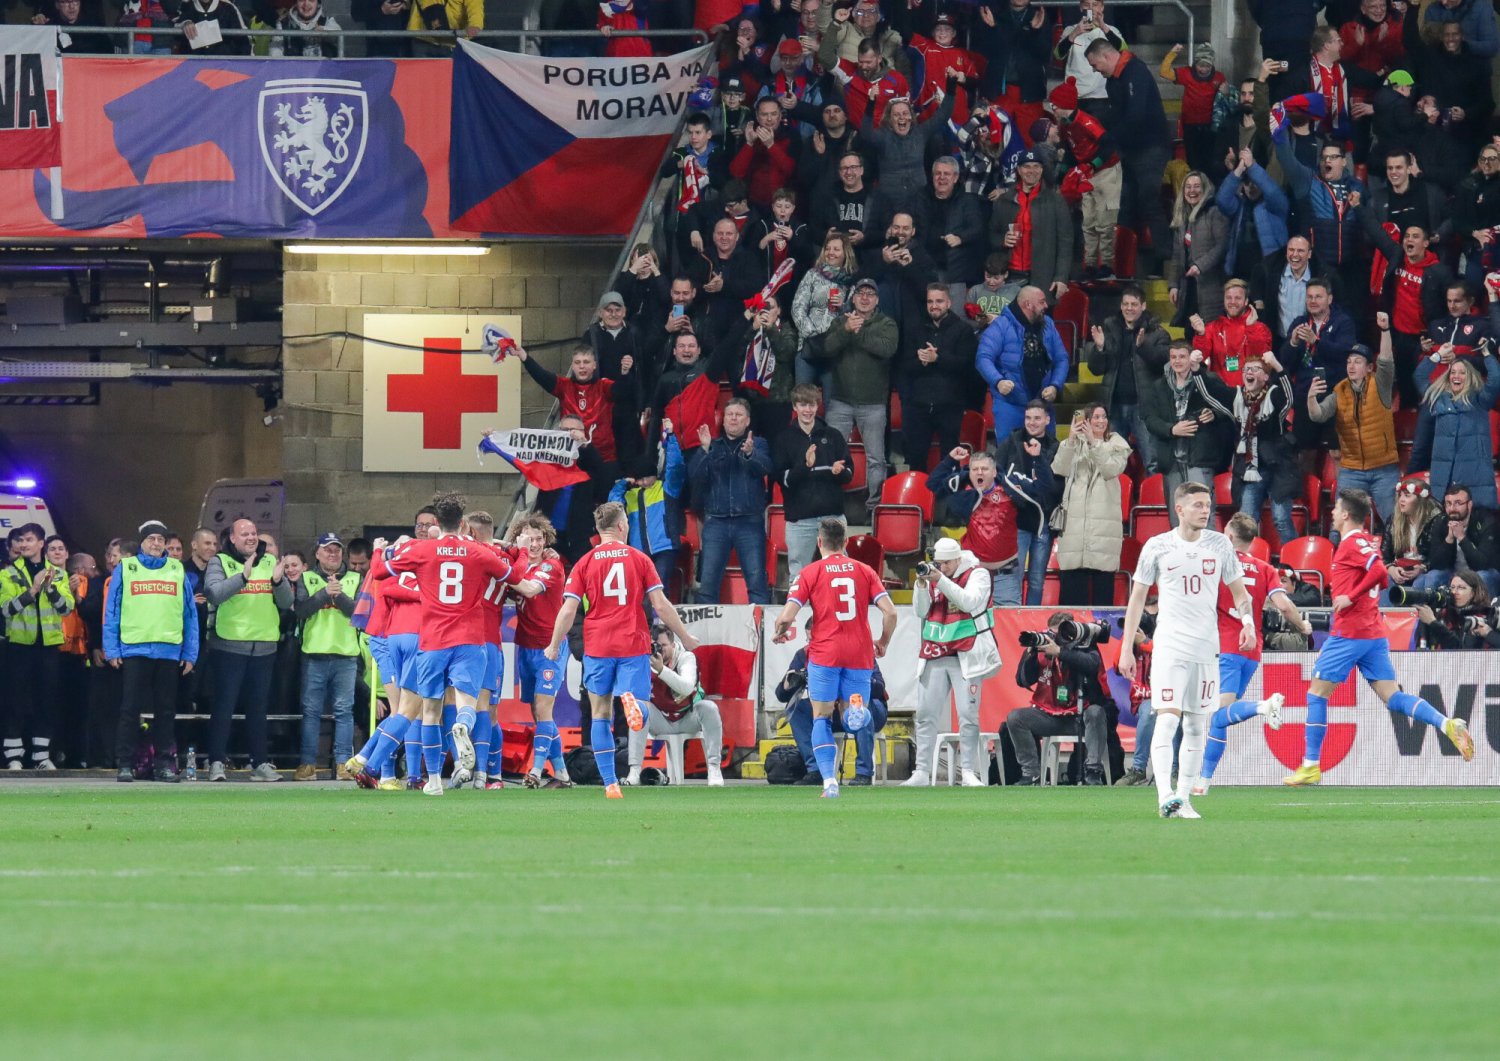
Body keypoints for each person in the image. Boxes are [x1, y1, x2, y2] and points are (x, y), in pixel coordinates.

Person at [1284, 489, 1475, 786]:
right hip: (1372, 633)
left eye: (1335, 509)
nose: (1332, 513)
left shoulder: (1352, 543)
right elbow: (1373, 571)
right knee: (1393, 697)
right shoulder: (1362, 543)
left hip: (1350, 632)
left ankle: (1310, 764)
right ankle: (1447, 723)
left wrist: (1350, 596)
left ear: (1346, 514)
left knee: (1316, 694)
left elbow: (1378, 574)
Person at [1119, 481, 1256, 819]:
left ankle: (1183, 798)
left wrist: (1248, 622)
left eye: (1207, 504)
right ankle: (1164, 794)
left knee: (1197, 726)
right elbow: (1136, 598)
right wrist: (1126, 649)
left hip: (1207, 648)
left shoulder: (1220, 545)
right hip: (1170, 646)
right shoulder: (1157, 546)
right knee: (1167, 719)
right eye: (1197, 504)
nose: (1205, 510)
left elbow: (1240, 594)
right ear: (1179, 509)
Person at [545, 502, 699, 800]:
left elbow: (568, 610)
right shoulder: (639, 559)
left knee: (600, 713)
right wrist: (685, 635)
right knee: (637, 706)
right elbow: (660, 605)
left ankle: (610, 784)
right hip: (631, 643)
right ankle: (632, 702)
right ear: (621, 526)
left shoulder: (584, 563)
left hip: (598, 646)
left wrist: (554, 645)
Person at [381, 493, 512, 796]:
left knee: (430, 711)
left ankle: (434, 781)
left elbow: (380, 572)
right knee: (469, 704)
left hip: (433, 639)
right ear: (463, 522)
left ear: (437, 523)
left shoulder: (424, 550)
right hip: (470, 638)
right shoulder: (478, 552)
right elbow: (513, 575)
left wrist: (383, 553)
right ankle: (464, 731)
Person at [772, 517, 898, 798]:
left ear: (819, 543)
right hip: (859, 652)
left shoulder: (810, 572)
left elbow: (787, 616)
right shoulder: (865, 571)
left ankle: (829, 781)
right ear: (845, 543)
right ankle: (856, 710)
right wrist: (884, 642)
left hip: (825, 652)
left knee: (821, 717)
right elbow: (891, 612)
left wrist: (779, 631)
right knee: (855, 711)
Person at [1193, 514, 1311, 794]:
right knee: (1222, 716)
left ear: (1229, 536)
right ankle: (1204, 781)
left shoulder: (1216, 563)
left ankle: (1261, 706)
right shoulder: (1265, 568)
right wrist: (1302, 625)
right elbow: (1283, 605)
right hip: (1252, 651)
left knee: (1219, 713)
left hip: (1225, 647)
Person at [901, 537, 1001, 788]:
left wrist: (939, 579)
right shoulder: (934, 574)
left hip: (966, 653)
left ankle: (968, 771)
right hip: (935, 650)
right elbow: (921, 612)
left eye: (946, 564)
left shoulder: (978, 574)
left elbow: (969, 602)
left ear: (958, 559)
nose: (941, 567)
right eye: (938, 563)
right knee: (925, 714)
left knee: (968, 715)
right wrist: (922, 585)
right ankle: (921, 771)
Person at [104, 519, 198, 783]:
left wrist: (190, 652)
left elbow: (189, 613)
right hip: (135, 648)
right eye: (151, 539)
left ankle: (164, 765)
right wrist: (112, 649)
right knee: (130, 709)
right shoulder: (127, 567)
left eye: (160, 539)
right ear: (142, 542)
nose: (156, 544)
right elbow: (112, 610)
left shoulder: (176, 569)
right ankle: (125, 764)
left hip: (168, 650)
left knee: (166, 711)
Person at [204, 518, 293, 782]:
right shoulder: (219, 562)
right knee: (224, 706)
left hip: (264, 646)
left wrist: (279, 582)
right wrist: (243, 576)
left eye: (254, 533)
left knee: (258, 709)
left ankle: (260, 763)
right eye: (245, 534)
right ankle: (217, 762)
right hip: (229, 645)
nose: (251, 538)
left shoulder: (268, 561)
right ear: (232, 538)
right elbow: (214, 593)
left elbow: (287, 602)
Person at [1085, 37, 1170, 274]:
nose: (1094, 70)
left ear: (1105, 56)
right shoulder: (1113, 81)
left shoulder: (1135, 72)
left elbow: (1135, 117)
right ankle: (1120, 263)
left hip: (1151, 148)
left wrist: (1108, 137)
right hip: (1131, 150)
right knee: (1125, 206)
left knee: (1149, 200)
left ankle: (1165, 259)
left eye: (1095, 64)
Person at [1307, 325, 1400, 528]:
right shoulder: (1339, 391)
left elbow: (1386, 360)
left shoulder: (1381, 385)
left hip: (1383, 469)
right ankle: (1337, 558)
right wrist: (1311, 397)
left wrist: (1384, 331)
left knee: (1395, 524)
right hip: (1352, 469)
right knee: (1339, 525)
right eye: (1349, 362)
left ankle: (1398, 558)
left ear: (1369, 368)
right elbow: (1318, 415)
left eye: (1358, 362)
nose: (1351, 365)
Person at [1, 522, 76, 771]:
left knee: (47, 702)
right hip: (19, 647)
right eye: (21, 540)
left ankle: (41, 756)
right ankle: (14, 756)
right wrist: (32, 590)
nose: (23, 544)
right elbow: (6, 609)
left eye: (29, 540)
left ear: (41, 544)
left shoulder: (59, 574)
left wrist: (50, 588)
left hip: (48, 649)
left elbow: (66, 608)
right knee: (17, 702)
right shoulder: (8, 573)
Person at [1006, 610, 1112, 786]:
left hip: (1079, 715)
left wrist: (1060, 652)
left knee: (1096, 712)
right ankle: (1031, 774)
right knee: (1016, 718)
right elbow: (1022, 680)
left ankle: (1093, 771)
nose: (1054, 639)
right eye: (1051, 634)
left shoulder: (1084, 643)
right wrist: (1031, 653)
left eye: (1060, 635)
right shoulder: (1042, 648)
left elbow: (1092, 665)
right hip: (1048, 715)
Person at [822, 277, 898, 503]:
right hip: (840, 401)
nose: (865, 298)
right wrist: (846, 330)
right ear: (853, 298)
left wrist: (858, 331)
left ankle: (874, 506)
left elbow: (886, 349)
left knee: (876, 458)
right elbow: (826, 348)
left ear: (877, 300)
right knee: (831, 454)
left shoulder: (887, 324)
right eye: (860, 294)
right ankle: (830, 502)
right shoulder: (840, 322)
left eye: (870, 294)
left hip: (873, 403)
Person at [292, 533, 361, 781]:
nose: (333, 554)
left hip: (345, 654)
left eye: (337, 550)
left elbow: (359, 613)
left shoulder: (355, 578)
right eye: (327, 550)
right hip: (314, 653)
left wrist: (338, 596)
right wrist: (324, 594)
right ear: (317, 553)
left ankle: (343, 763)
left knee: (344, 711)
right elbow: (300, 611)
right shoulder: (307, 578)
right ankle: (308, 763)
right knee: (311, 711)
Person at [692, 399, 773, 604]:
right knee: (707, 586)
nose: (733, 418)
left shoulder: (759, 443)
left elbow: (766, 468)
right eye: (730, 414)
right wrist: (705, 450)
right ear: (723, 419)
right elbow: (695, 477)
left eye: (738, 414)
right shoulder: (712, 444)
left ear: (747, 421)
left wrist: (750, 454)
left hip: (749, 523)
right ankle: (705, 636)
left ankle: (760, 634)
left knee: (757, 584)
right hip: (716, 522)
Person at [624, 623, 725, 787]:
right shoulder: (644, 659)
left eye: (663, 645)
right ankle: (634, 770)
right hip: (661, 719)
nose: (659, 650)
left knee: (710, 708)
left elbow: (686, 687)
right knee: (638, 709)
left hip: (688, 716)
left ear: (673, 644)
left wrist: (662, 670)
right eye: (655, 645)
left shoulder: (686, 657)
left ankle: (714, 768)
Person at [1144, 341, 1235, 519]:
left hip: (1200, 457)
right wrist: (1171, 429)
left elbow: (1228, 406)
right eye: (1173, 357)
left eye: (1182, 356)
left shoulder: (1208, 379)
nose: (1177, 361)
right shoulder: (1158, 386)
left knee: (1202, 513)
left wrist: (1214, 414)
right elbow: (1150, 419)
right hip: (1171, 459)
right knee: (1177, 515)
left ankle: (1202, 548)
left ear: (1190, 358)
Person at [1084, 283, 1171, 467]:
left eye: (1134, 304)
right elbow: (1095, 369)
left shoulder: (1157, 332)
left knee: (1152, 462)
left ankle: (1153, 496)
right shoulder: (1109, 329)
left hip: (1144, 407)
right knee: (1112, 462)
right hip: (1113, 406)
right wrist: (1099, 348)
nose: (1129, 308)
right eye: (1126, 304)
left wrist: (1143, 347)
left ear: (1143, 306)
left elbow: (1164, 363)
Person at [1052, 403, 1131, 605]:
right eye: (1095, 417)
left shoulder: (1117, 445)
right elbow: (1059, 468)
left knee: (1102, 591)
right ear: (1085, 420)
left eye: (1103, 417)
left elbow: (1111, 469)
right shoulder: (1073, 444)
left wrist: (1093, 443)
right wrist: (1070, 438)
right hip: (1074, 526)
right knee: (1072, 592)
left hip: (1104, 525)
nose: (1100, 421)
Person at [777, 646, 889, 787]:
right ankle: (816, 770)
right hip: (831, 711)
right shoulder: (805, 654)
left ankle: (863, 772)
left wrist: (853, 681)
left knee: (859, 706)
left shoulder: (859, 651)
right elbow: (781, 695)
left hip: (868, 710)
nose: (815, 642)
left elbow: (879, 688)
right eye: (811, 639)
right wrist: (790, 684)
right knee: (797, 709)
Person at [1046, 76, 1122, 279]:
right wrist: (1060, 177)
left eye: (1054, 106)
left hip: (1106, 171)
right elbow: (1070, 153)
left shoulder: (1086, 121)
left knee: (1105, 222)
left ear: (1064, 106)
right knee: (1088, 221)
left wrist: (1092, 165)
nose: (1052, 109)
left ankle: (1106, 266)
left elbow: (1109, 145)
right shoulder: (1064, 126)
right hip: (1086, 174)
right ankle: (1089, 265)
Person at [773, 384, 853, 577]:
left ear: (818, 406)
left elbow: (849, 473)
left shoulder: (833, 435)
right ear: (794, 407)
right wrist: (805, 466)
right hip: (800, 519)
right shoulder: (784, 439)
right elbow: (783, 480)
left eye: (811, 404)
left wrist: (838, 472)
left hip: (833, 516)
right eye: (802, 405)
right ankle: (799, 609)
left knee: (840, 573)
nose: (807, 410)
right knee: (799, 577)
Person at [927, 448, 1021, 605]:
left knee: (1008, 623)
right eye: (975, 469)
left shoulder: (1010, 489)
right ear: (969, 472)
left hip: (1005, 575)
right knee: (967, 624)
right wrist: (950, 459)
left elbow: (1040, 496)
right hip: (972, 573)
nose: (980, 473)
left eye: (984, 469)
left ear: (994, 472)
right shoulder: (964, 491)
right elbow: (932, 484)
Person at [1408, 350, 1500, 509]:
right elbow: (1419, 376)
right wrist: (1437, 355)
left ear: (1470, 377)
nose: (1456, 376)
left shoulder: (1480, 400)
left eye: (1462, 373)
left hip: (1475, 482)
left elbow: (1496, 378)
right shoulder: (1438, 398)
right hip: (1444, 481)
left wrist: (1487, 355)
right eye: (1453, 372)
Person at [902, 284, 979, 471]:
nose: (934, 305)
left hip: (950, 406)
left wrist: (938, 358)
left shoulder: (963, 330)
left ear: (949, 302)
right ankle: (919, 497)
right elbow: (904, 365)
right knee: (916, 459)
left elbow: (966, 365)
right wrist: (921, 361)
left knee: (950, 459)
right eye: (930, 301)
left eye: (939, 301)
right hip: (918, 405)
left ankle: (948, 497)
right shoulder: (915, 329)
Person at [978, 285, 1069, 440]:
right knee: (1009, 457)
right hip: (1010, 404)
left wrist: (1055, 385)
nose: (1046, 306)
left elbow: (1062, 359)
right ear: (1028, 304)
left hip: (1043, 405)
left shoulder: (1049, 324)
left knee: (1048, 457)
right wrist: (998, 381)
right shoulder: (1000, 326)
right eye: (1042, 302)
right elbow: (983, 358)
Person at [1229, 352, 1300, 546]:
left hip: (1279, 468)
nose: (1249, 372)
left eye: (1256, 369)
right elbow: (1212, 394)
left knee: (1281, 520)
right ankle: (1243, 563)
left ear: (1266, 377)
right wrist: (1197, 370)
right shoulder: (1238, 399)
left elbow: (1290, 397)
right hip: (1253, 469)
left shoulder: (1274, 394)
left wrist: (1277, 365)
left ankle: (1294, 565)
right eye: (1247, 369)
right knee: (1246, 520)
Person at [996, 400, 1061, 605]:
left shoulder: (1056, 447)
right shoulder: (1012, 441)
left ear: (1047, 420)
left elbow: (1056, 485)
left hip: (1043, 523)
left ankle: (1031, 622)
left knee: (1036, 580)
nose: (1032, 423)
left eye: (1037, 418)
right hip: (1017, 522)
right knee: (1013, 578)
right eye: (1028, 418)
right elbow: (998, 473)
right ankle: (1013, 620)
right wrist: (1016, 497)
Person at [988, 151, 1073, 303]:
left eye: (1036, 166)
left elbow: (1065, 242)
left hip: (1042, 277)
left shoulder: (1055, 201)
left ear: (1042, 170)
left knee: (1039, 324)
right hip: (1010, 276)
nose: (1031, 171)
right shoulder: (1004, 200)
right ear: (1019, 170)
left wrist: (1061, 277)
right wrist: (1003, 240)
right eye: (1026, 166)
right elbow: (990, 235)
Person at [790, 230, 857, 388]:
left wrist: (843, 306)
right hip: (808, 346)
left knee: (831, 405)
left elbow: (854, 315)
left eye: (836, 249)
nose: (830, 253)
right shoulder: (813, 275)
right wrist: (811, 334)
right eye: (828, 248)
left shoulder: (852, 280)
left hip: (835, 349)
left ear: (845, 253)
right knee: (803, 398)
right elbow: (797, 307)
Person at [1215, 148, 1291, 281]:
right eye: (1246, 183)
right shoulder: (1239, 206)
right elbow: (1222, 200)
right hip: (1240, 272)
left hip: (1269, 272)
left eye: (1255, 182)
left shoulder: (1275, 205)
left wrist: (1252, 167)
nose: (1251, 187)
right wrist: (1237, 171)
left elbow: (1272, 192)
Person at [1415, 482, 1500, 597]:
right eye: (1448, 504)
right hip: (1453, 574)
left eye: (1458, 503)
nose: (1452, 508)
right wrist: (1449, 539)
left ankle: (1481, 613)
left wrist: (1462, 537)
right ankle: (1432, 613)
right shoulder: (1440, 522)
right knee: (1430, 577)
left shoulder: (1486, 522)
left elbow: (1482, 564)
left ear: (1469, 505)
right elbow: (1436, 564)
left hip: (1484, 573)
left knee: (1483, 577)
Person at [1167, 171, 1228, 325]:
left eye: (1196, 186)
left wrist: (1200, 265)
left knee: (1209, 333)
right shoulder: (1182, 218)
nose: (1192, 191)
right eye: (1188, 187)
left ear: (1205, 189)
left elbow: (1223, 245)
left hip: (1211, 287)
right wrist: (1173, 285)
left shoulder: (1214, 212)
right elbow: (1176, 256)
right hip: (1188, 288)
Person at [1189, 279, 1272, 389]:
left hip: (1250, 392)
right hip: (1220, 391)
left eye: (1237, 298)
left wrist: (1252, 329)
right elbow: (1201, 356)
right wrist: (1201, 334)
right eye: (1228, 298)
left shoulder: (1260, 328)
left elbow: (1262, 359)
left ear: (1246, 301)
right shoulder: (1212, 328)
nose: (1232, 302)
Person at [1383, 475, 1442, 600]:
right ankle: (1386, 619)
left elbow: (1440, 557)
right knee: (1384, 579)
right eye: (1400, 495)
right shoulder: (1393, 520)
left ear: (1420, 500)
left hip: (1425, 570)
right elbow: (1384, 555)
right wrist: (1391, 569)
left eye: (1407, 496)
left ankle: (1419, 619)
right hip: (1402, 568)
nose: (1401, 500)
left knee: (1421, 582)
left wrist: (1422, 568)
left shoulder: (1437, 520)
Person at [1416, 571, 1500, 649]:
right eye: (1452, 587)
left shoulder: (1485, 615)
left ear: (1474, 592)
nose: (1454, 592)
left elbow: (1460, 651)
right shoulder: (1443, 613)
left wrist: (1433, 623)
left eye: (1461, 588)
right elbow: (1421, 646)